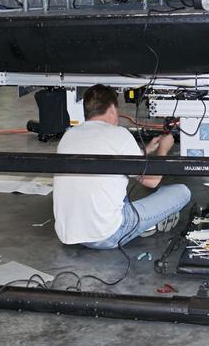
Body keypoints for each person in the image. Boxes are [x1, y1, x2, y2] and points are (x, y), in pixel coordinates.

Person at [53, 85, 191, 249]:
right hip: (107, 235)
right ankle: (146, 224)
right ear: (112, 109)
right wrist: (163, 149)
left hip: (68, 233)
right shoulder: (119, 134)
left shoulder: (69, 135)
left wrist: (145, 151)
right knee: (181, 192)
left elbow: (109, 156)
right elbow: (152, 181)